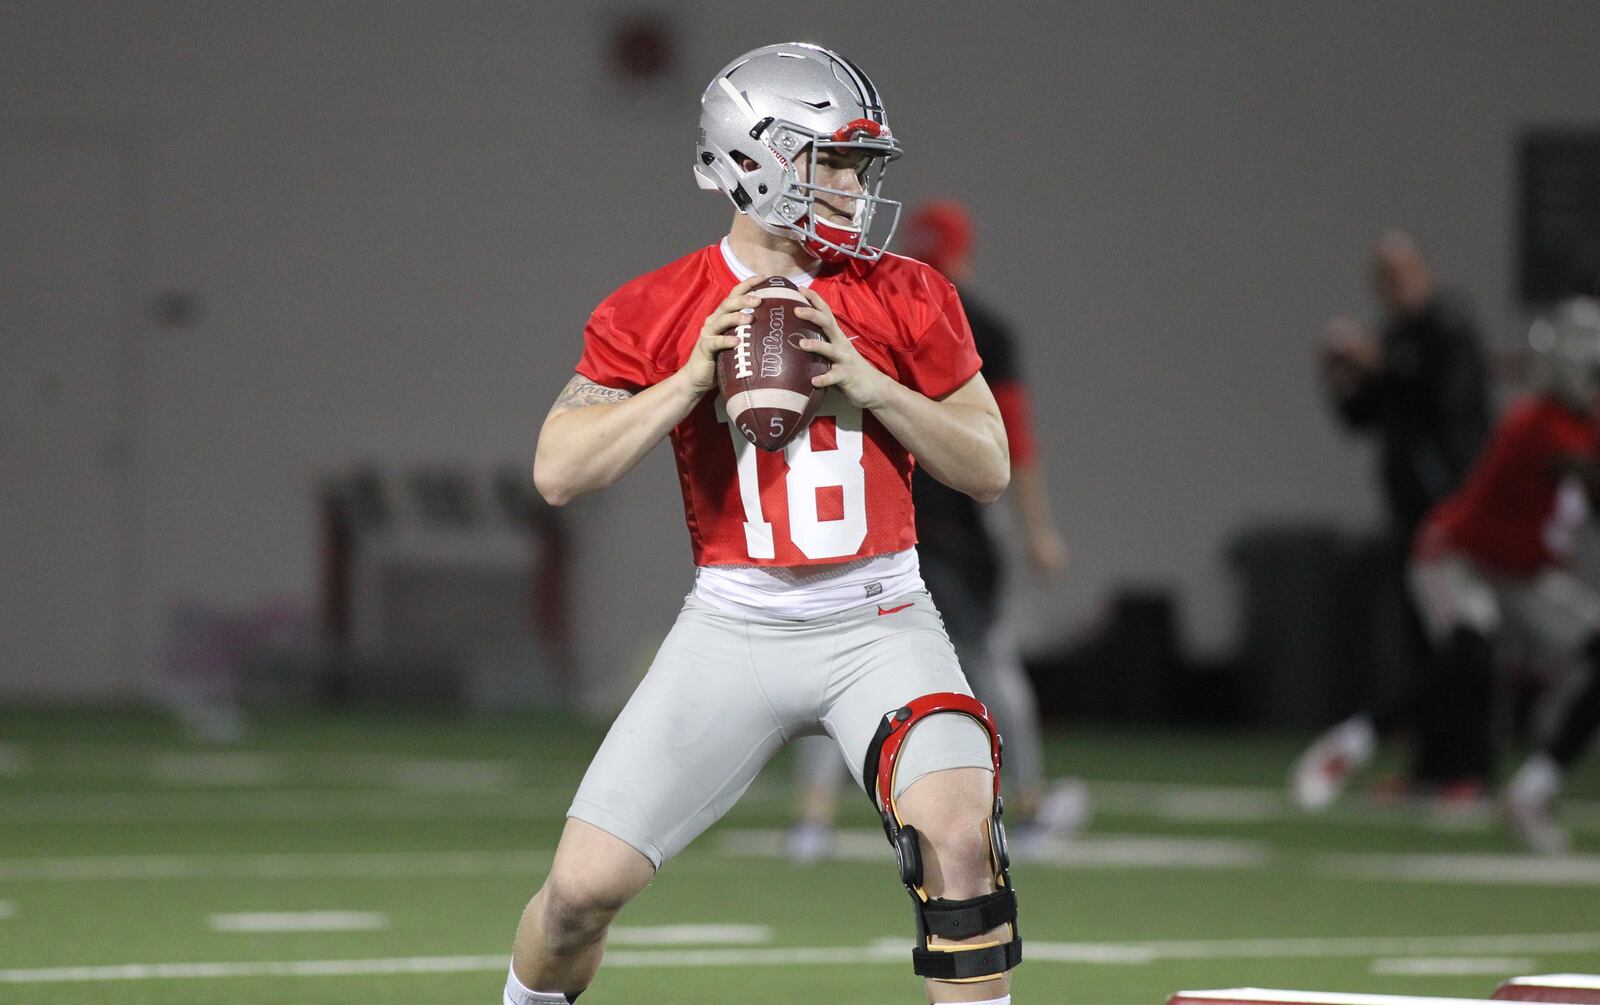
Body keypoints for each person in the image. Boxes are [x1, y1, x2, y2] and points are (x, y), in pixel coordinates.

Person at [507, 43, 1021, 1005]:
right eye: (830, 160)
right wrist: (686, 380)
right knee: (579, 893)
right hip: (733, 623)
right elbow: (558, 470)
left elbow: (986, 465)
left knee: (959, 839)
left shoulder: (908, 293)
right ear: (751, 161)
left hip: (880, 616)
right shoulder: (656, 307)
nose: (851, 186)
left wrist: (874, 387)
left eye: (859, 165)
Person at [788, 199, 1086, 865]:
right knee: (985, 660)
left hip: (862, 520)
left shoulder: (858, 308)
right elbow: (1011, 443)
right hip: (949, 530)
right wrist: (1038, 529)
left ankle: (812, 817)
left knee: (833, 667)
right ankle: (1031, 802)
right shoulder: (978, 325)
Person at [1292, 231, 1491, 809]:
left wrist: (1376, 362)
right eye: (1385, 277)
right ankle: (1431, 769)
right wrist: (1340, 375)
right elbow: (1364, 415)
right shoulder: (1398, 336)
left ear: (1425, 272)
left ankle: (1470, 769)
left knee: (1464, 646)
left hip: (1453, 517)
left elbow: (1441, 398)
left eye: (1402, 273)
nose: (1394, 287)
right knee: (1423, 648)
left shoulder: (1449, 325)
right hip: (1412, 519)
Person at [1411, 297, 1600, 853]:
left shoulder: (1573, 421)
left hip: (1521, 571)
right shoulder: (1538, 422)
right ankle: (1440, 768)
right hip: (1468, 563)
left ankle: (1533, 787)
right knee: (1468, 655)